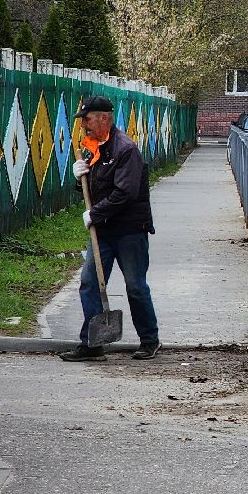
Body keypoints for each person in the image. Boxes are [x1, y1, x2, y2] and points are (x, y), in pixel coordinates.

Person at [61, 96, 160, 362]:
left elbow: (124, 193)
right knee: (89, 283)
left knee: (135, 286)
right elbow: (97, 187)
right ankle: (93, 344)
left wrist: (94, 213)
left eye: (87, 120)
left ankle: (149, 340)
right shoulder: (95, 148)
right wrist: (80, 176)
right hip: (102, 231)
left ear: (103, 118)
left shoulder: (125, 149)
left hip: (129, 231)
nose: (84, 126)